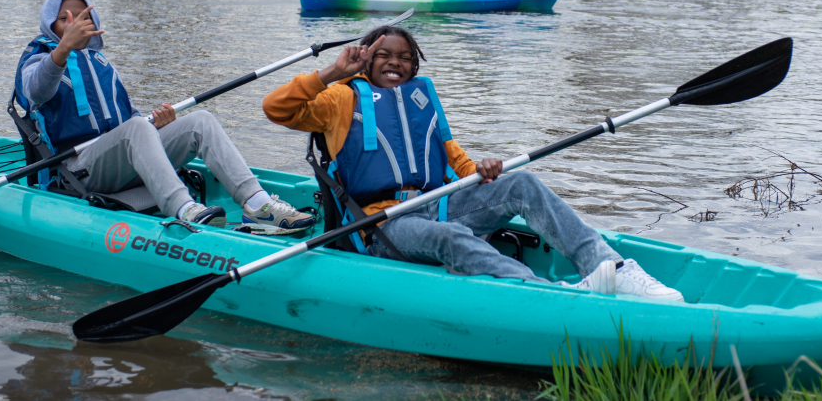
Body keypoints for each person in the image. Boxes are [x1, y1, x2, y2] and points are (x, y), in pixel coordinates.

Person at [262, 26, 683, 299]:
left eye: (405, 56)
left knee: (522, 184)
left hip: (439, 205)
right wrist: (332, 72)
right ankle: (548, 295)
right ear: (366, 59)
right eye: (385, 55)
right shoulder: (340, 98)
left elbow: (455, 163)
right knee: (448, 236)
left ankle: (614, 269)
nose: (396, 62)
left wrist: (482, 170)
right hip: (383, 226)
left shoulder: (421, 100)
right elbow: (275, 108)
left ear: (415, 64)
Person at [15, 0, 316, 231]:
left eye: (82, 14)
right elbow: (36, 91)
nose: (76, 21)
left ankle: (258, 204)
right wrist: (63, 49)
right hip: (78, 167)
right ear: (50, 25)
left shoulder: (103, 65)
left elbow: (129, 120)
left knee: (200, 120)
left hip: (118, 161)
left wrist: (156, 125)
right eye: (65, 17)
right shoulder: (39, 59)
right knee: (137, 130)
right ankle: (184, 209)